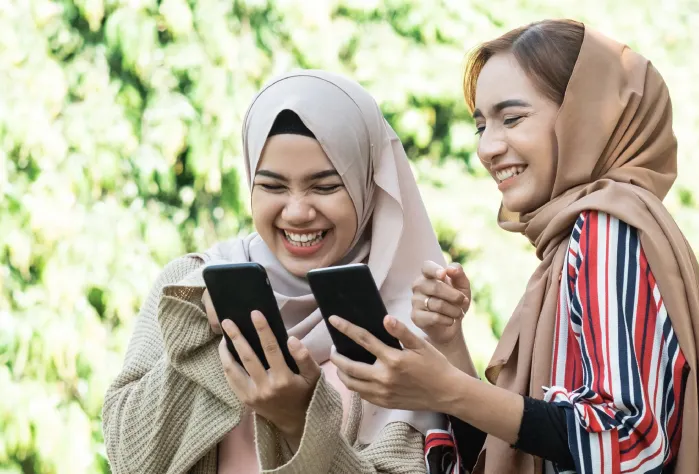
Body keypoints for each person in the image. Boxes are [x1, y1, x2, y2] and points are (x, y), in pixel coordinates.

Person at [328, 19, 699, 473]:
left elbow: (627, 442)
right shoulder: (572, 241)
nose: (488, 147)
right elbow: (522, 446)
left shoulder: (606, 225)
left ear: (583, 119)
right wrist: (449, 346)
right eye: (481, 126)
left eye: (512, 119)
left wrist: (446, 389)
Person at [102, 70, 459, 474]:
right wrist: (199, 336)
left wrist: (299, 422)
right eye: (272, 186)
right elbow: (128, 459)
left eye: (324, 187)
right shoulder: (191, 286)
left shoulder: (408, 324)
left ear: (366, 184)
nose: (297, 212)